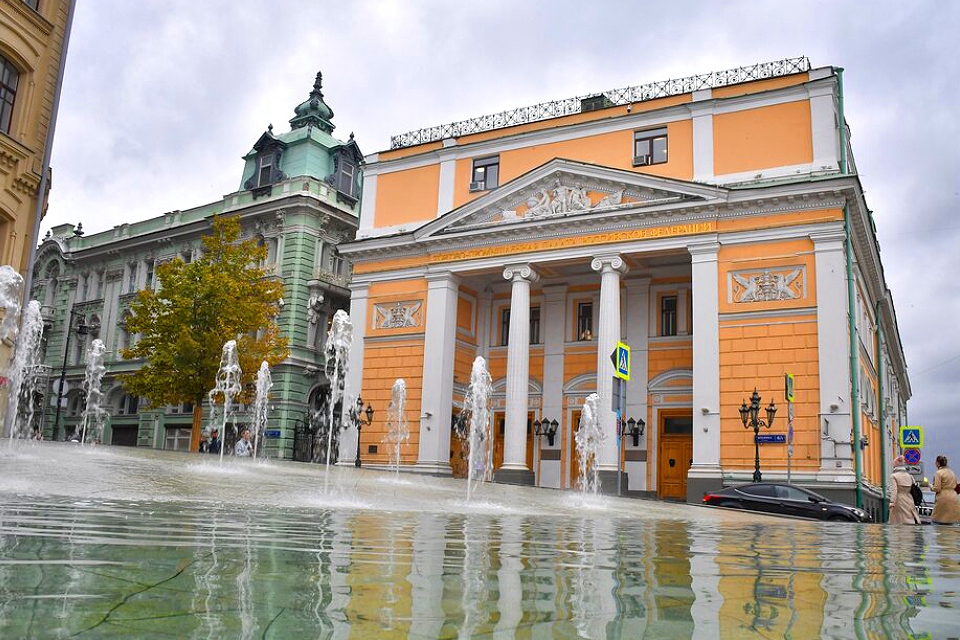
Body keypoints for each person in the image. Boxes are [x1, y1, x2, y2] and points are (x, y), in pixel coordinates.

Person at [888, 455, 920, 524]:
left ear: (896, 464)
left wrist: (892, 502)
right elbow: (914, 488)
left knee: (898, 521)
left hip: (899, 500)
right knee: (909, 517)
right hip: (909, 499)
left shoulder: (894, 476)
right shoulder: (910, 476)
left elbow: (894, 490)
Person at [931, 455, 960, 525]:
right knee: (952, 521)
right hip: (954, 497)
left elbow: (937, 488)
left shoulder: (939, 473)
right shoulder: (952, 472)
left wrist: (930, 486)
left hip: (943, 497)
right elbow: (956, 484)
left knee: (937, 520)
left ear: (938, 463)